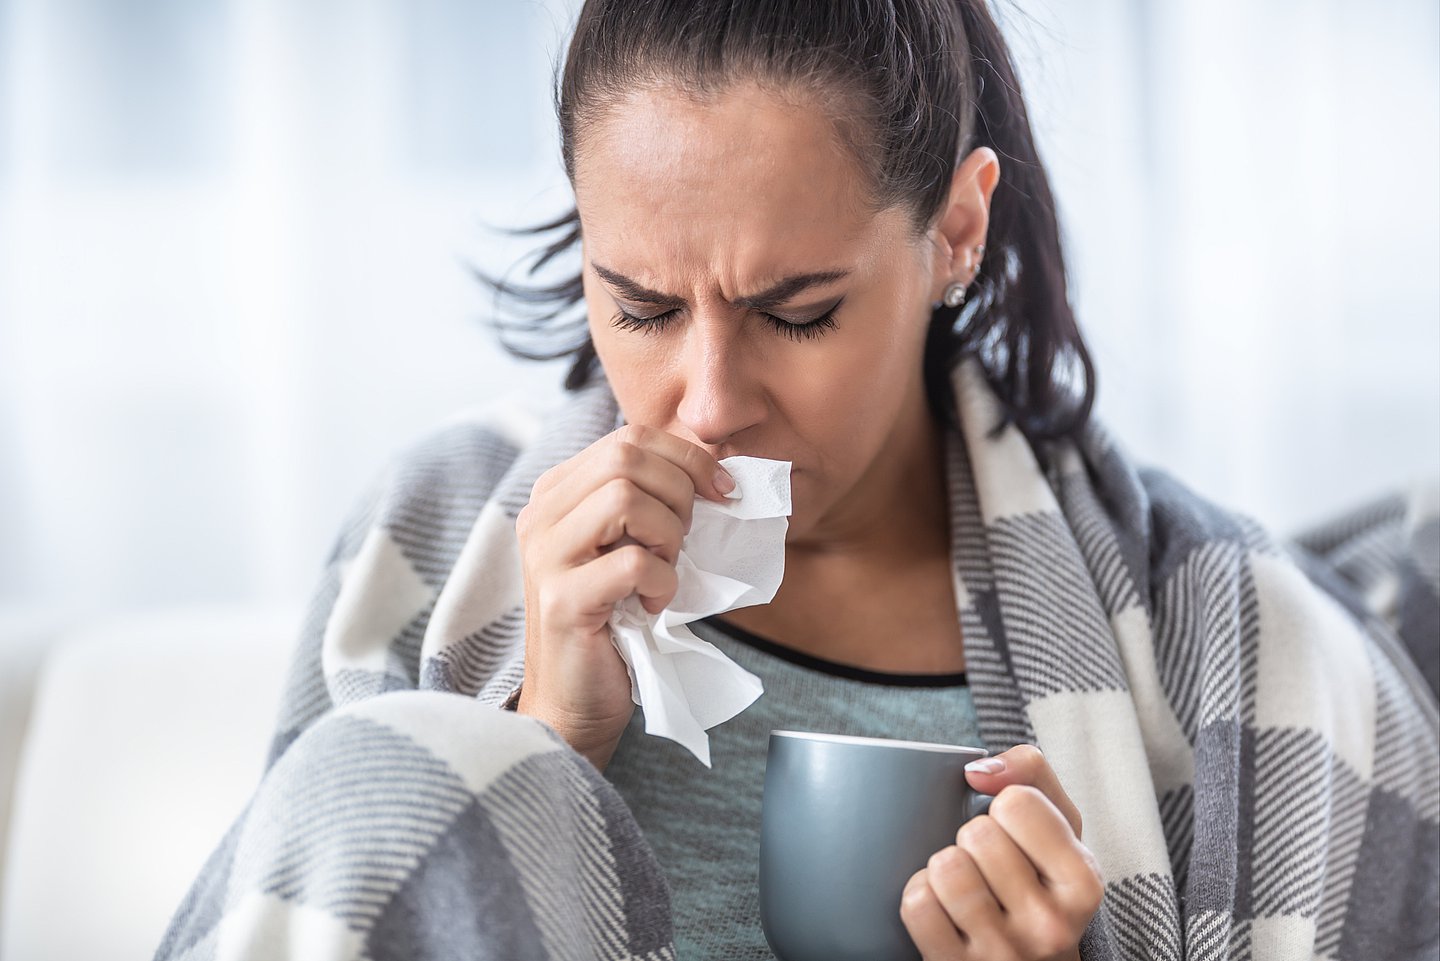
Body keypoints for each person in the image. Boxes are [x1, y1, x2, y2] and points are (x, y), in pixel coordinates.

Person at [155, 1, 1440, 959]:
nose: (710, 401)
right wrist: (538, 738)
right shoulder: (436, 533)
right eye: (643, 305)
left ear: (955, 231)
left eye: (800, 312)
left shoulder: (1223, 638)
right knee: (403, 765)